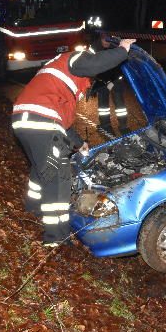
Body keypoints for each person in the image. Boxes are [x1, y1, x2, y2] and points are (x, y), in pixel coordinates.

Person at [11, 38, 136, 246]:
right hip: (41, 120)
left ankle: (32, 209)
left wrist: (79, 143)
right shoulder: (77, 59)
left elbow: (64, 124)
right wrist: (123, 51)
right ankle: (56, 238)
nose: (91, 83)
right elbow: (96, 63)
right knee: (59, 177)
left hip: (24, 120)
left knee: (43, 169)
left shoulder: (59, 78)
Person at [91, 34, 128, 137]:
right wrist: (94, 83)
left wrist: (113, 81)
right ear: (100, 38)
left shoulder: (116, 46)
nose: (106, 43)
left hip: (115, 78)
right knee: (103, 104)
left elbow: (120, 63)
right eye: (104, 40)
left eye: (108, 40)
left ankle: (123, 125)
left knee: (119, 102)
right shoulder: (94, 47)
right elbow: (92, 65)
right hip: (102, 78)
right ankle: (105, 125)